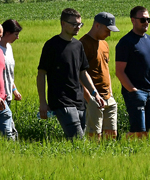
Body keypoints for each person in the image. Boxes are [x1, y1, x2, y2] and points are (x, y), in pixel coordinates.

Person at [37, 8, 106, 140]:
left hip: (79, 100)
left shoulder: (78, 45)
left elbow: (83, 73)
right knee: (78, 139)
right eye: (74, 24)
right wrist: (42, 102)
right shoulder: (51, 45)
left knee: (76, 141)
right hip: (61, 101)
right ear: (63, 23)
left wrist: (94, 93)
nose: (78, 27)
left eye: (79, 24)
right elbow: (41, 74)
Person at [116, 6, 150, 137]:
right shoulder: (125, 42)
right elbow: (119, 72)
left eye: (148, 19)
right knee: (139, 132)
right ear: (133, 20)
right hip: (135, 94)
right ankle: (123, 145)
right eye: (143, 20)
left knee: (149, 132)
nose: (146, 23)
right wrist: (133, 91)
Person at [81, 12, 120, 141]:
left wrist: (111, 93)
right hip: (93, 97)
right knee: (94, 136)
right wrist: (89, 98)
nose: (109, 34)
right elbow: (79, 74)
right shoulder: (83, 44)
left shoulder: (104, 44)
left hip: (109, 97)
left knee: (112, 134)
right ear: (97, 25)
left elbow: (105, 69)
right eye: (107, 30)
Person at [0, 19, 23, 137]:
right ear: (7, 33)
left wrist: (14, 90)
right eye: (16, 34)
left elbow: (8, 74)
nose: (17, 38)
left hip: (8, 95)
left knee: (5, 127)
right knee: (7, 128)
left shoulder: (9, 48)